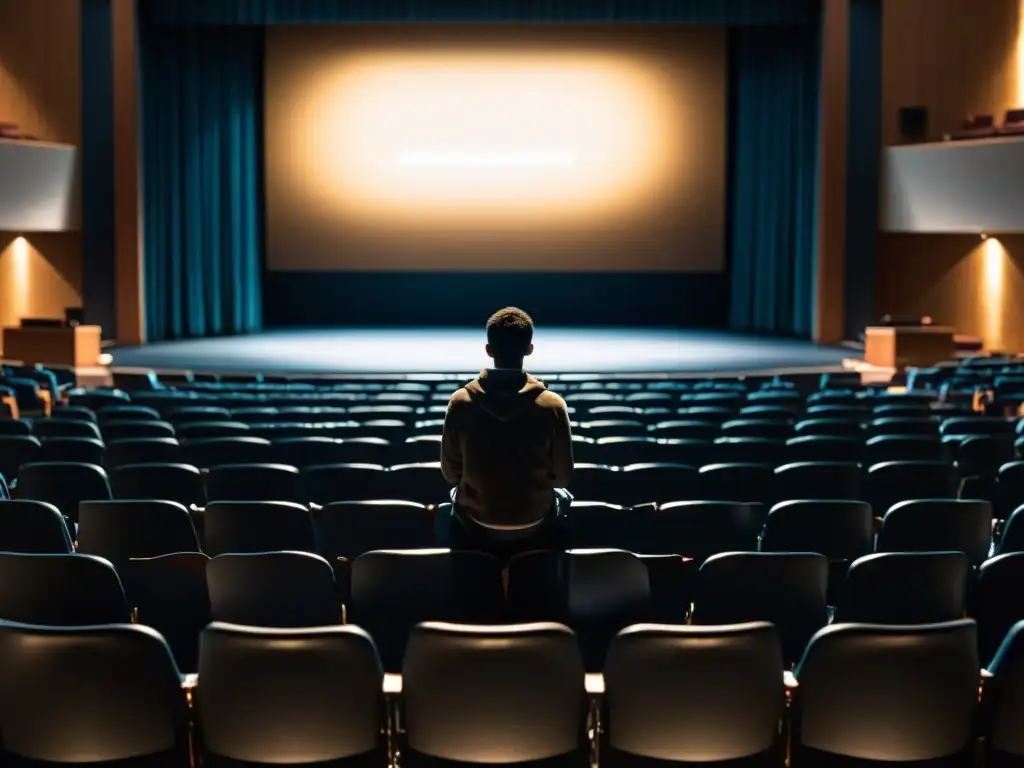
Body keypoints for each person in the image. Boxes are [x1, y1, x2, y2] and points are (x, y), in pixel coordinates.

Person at [441, 307, 574, 562]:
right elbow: (563, 477)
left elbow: (451, 474)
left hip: (475, 522)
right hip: (535, 521)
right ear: (529, 349)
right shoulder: (553, 405)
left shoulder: (460, 403)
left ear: (489, 350)